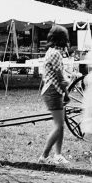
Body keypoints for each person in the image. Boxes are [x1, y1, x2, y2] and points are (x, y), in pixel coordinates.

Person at [38, 25, 70, 164]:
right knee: (59, 126)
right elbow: (60, 78)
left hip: (53, 90)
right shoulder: (56, 54)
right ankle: (43, 156)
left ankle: (58, 154)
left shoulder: (50, 51)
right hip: (53, 91)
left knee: (60, 124)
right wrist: (67, 90)